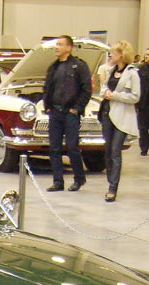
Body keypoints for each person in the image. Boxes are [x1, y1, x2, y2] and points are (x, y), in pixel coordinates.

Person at [43, 35, 92, 192]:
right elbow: (47, 87)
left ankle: (79, 178)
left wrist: (76, 108)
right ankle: (58, 181)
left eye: (60, 44)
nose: (56, 47)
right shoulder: (53, 67)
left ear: (69, 47)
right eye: (56, 44)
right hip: (55, 112)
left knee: (72, 147)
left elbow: (86, 90)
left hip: (71, 113)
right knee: (54, 148)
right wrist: (47, 106)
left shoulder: (79, 66)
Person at [98, 41, 140, 202]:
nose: (110, 55)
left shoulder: (132, 73)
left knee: (116, 150)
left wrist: (115, 96)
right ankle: (110, 179)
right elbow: (104, 87)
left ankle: (113, 188)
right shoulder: (111, 71)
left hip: (122, 116)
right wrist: (105, 92)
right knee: (108, 150)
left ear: (122, 55)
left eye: (114, 52)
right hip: (107, 114)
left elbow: (135, 96)